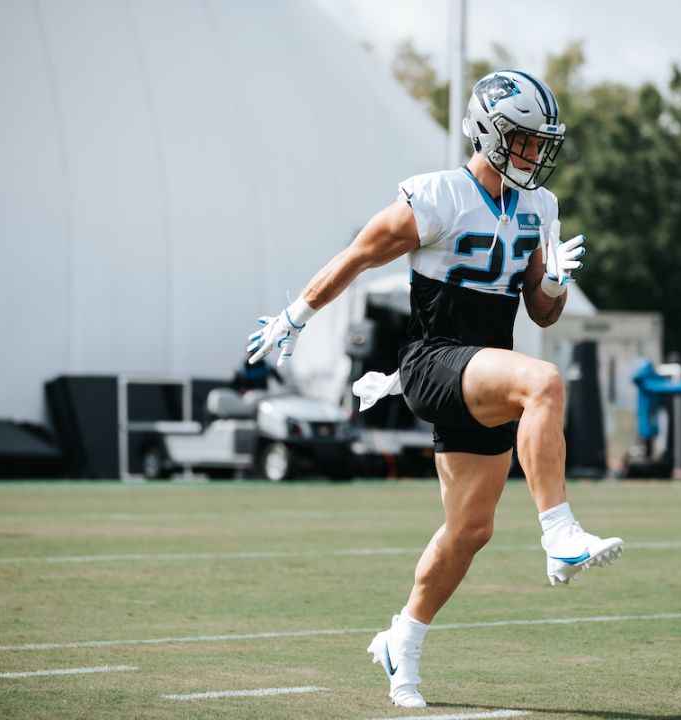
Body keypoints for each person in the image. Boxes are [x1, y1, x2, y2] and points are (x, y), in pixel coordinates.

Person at [245, 70, 623, 709]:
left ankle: (402, 640)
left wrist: (554, 281)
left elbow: (541, 313)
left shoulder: (540, 208)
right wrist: (296, 316)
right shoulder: (440, 196)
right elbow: (360, 254)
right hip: (433, 360)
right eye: (525, 140)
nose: (535, 154)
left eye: (541, 143)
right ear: (489, 131)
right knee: (546, 382)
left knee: (469, 530)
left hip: (486, 371)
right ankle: (559, 532)